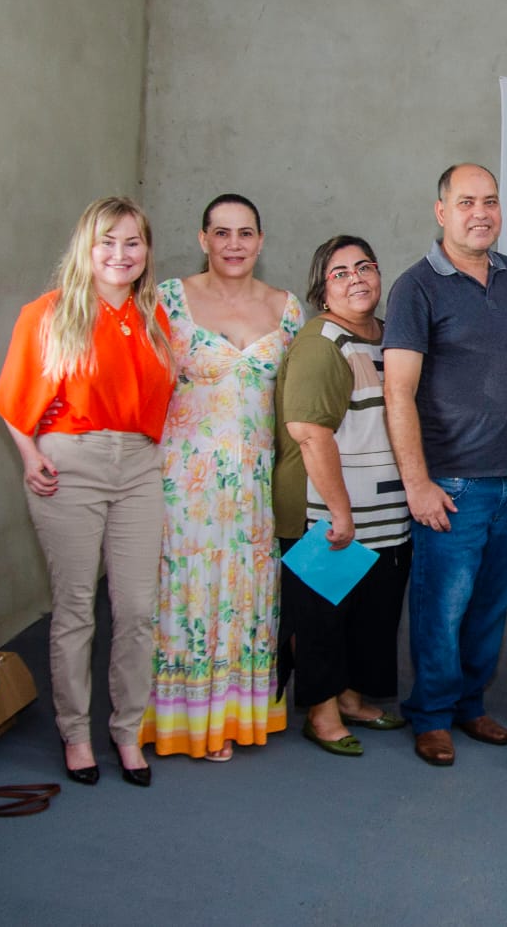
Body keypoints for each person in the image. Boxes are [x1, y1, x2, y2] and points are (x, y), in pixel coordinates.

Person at [0, 196, 174, 788]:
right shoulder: (48, 313)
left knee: (138, 609)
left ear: (146, 251)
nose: (120, 255)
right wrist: (29, 457)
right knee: (75, 608)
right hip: (71, 464)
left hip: (141, 467)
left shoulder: (154, 317)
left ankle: (126, 731)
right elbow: (14, 400)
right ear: (87, 249)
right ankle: (76, 734)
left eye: (133, 243)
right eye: (108, 242)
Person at [383, 164, 507, 767]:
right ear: (441, 211)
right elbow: (398, 393)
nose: (482, 212)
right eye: (467, 201)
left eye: (492, 201)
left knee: (491, 604)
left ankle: (470, 704)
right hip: (451, 481)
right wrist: (417, 483)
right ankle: (430, 714)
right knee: (441, 605)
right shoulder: (416, 288)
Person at [142, 193, 303, 762]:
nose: (234, 244)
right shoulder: (167, 300)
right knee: (184, 594)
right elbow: (138, 383)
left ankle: (236, 715)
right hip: (185, 482)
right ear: (203, 239)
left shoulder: (287, 310)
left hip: (257, 484)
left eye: (245, 233)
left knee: (247, 595)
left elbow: (299, 401)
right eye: (222, 233)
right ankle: (182, 719)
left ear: (261, 240)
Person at [273, 235, 414, 757]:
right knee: (323, 618)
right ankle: (321, 711)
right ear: (321, 289)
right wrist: (339, 513)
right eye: (340, 272)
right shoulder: (321, 342)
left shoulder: (387, 336)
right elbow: (311, 433)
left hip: (387, 508)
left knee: (371, 616)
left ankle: (352, 698)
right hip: (328, 512)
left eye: (366, 266)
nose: (357, 278)